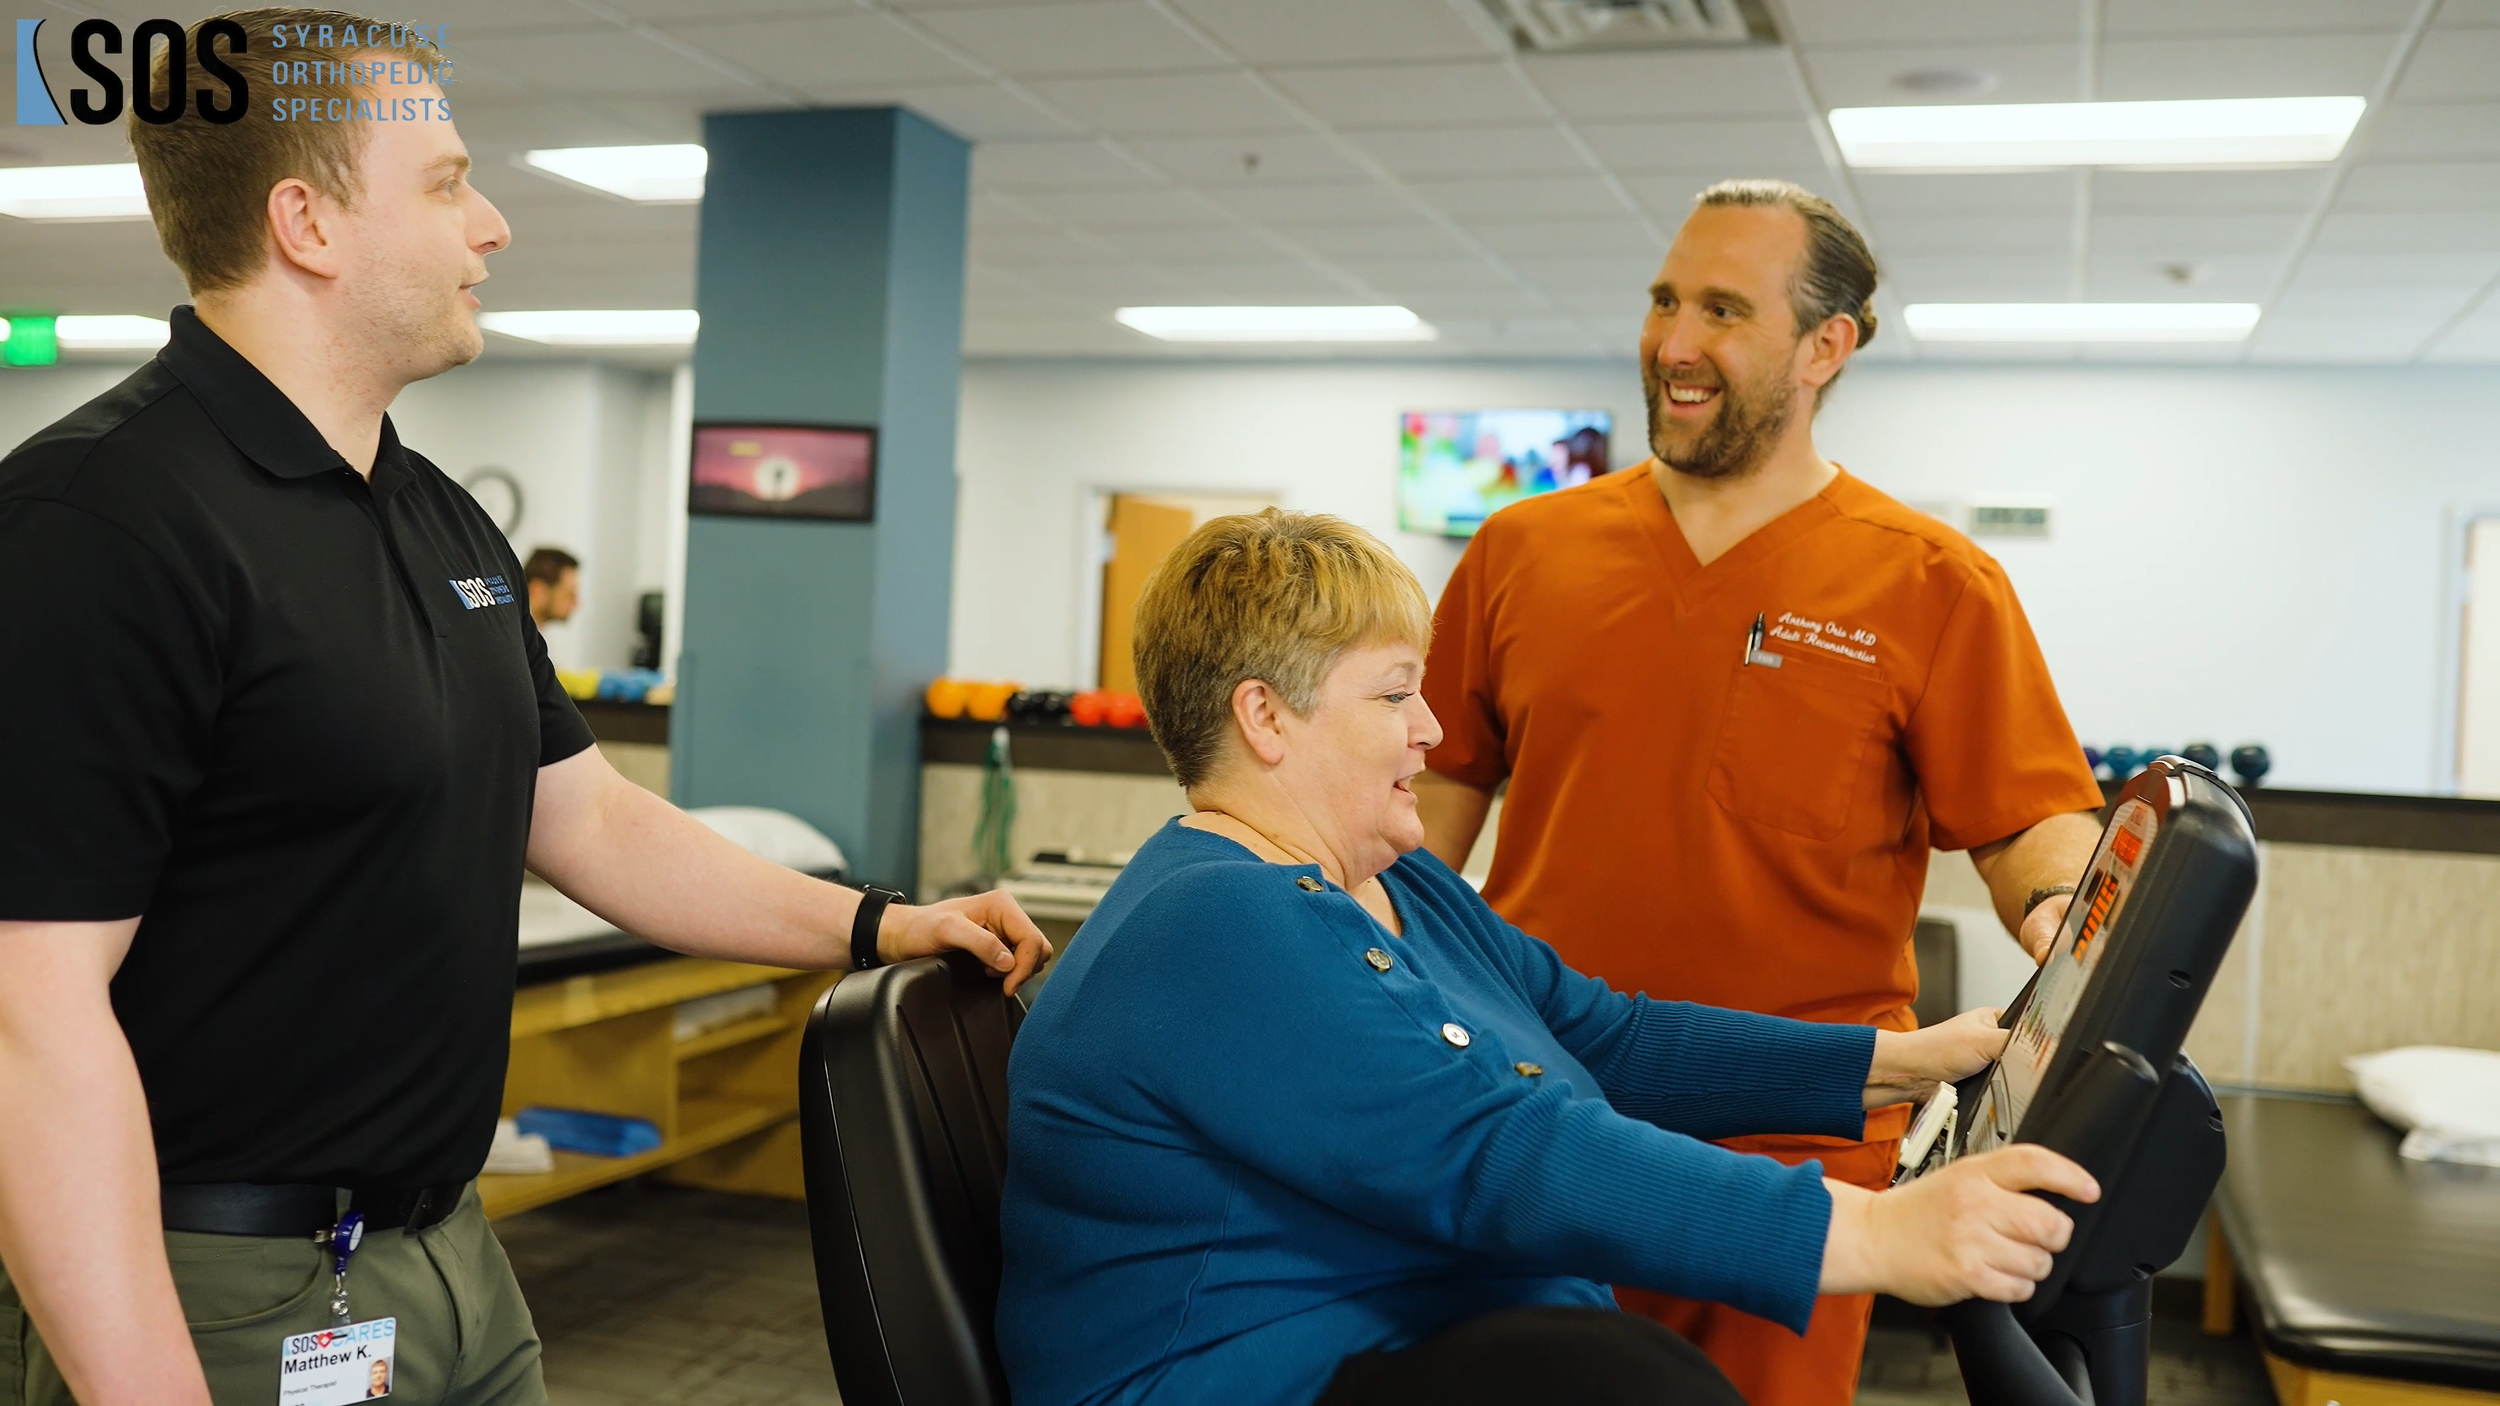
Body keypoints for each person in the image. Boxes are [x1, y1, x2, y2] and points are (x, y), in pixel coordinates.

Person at [0, 13, 1049, 1406]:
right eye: (445, 182)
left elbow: (590, 816)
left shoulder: (432, 512)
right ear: (305, 220)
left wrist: (873, 920)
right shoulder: (99, 522)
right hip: (222, 1286)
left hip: (447, 1255)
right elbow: (28, 1013)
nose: (490, 225)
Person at [995, 509, 2099, 1406]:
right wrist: (1876, 1231)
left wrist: (1902, 1061)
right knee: (1620, 1380)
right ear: (1264, 718)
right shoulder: (1216, 924)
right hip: (1244, 1367)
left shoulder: (1396, 883)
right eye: (1392, 694)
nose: (1431, 730)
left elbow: (1605, 1034)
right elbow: (1495, 1152)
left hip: (1409, 1331)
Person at [1415, 178, 2108, 1406]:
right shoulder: (1524, 551)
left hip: (1793, 1144)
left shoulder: (1933, 581)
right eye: (1664, 300)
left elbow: (2023, 818)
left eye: (1723, 310)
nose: (1674, 343)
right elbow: (1421, 811)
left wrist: (2065, 901)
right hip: (1542, 1110)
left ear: (1824, 347)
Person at [523, 546, 579, 628]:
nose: (576, 604)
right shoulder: (510, 636)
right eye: (569, 595)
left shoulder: (531, 636)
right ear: (537, 590)